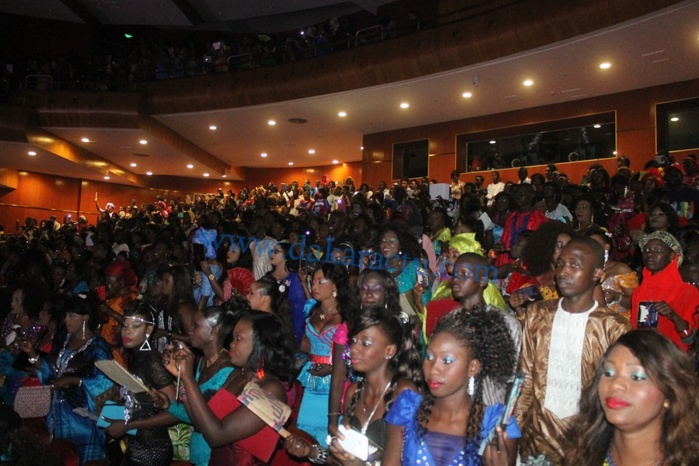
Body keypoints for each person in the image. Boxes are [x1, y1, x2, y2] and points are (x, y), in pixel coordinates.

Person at [515, 237, 631, 464]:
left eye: (575, 265)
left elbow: (617, 391)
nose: (564, 272)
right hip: (537, 437)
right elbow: (526, 377)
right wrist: (514, 428)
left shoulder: (613, 326)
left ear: (597, 274)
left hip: (586, 439)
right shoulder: (539, 314)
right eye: (560, 264)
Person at [286, 304, 423, 464]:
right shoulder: (354, 392)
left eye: (365, 343)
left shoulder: (404, 392)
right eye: (354, 341)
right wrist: (311, 451)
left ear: (389, 351)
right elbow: (340, 459)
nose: (354, 349)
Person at [383, 309, 520, 466]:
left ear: (472, 367)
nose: (433, 369)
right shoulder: (407, 409)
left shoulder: (496, 424)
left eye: (447, 361)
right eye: (429, 357)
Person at [163, 311, 295, 464]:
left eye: (239, 338)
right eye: (233, 337)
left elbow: (216, 436)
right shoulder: (240, 375)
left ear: (261, 344)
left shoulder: (271, 388)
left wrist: (188, 378)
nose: (231, 344)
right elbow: (201, 424)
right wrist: (183, 381)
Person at [565, 330, 699, 466]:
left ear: (670, 394)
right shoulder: (580, 457)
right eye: (608, 373)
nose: (615, 385)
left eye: (636, 377)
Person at [20, 294, 115, 465]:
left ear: (85, 317)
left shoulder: (98, 347)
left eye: (72, 316)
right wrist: (33, 355)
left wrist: (74, 381)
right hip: (58, 415)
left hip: (82, 420)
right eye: (65, 315)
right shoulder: (64, 339)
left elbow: (105, 384)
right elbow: (53, 372)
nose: (66, 320)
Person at [105, 302, 175, 466]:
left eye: (135, 326)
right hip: (137, 443)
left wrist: (128, 425)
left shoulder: (152, 361)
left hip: (152, 449)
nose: (127, 331)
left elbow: (175, 412)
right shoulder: (136, 356)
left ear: (148, 330)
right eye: (124, 325)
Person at [451, 252, 521, 405]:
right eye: (455, 274)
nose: (456, 279)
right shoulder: (449, 322)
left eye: (464, 274)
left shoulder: (506, 324)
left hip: (490, 413)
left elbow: (512, 380)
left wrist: (503, 419)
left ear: (482, 280)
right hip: (454, 414)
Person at [297, 264, 351, 446]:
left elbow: (353, 355)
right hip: (311, 382)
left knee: (329, 441)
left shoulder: (346, 316)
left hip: (335, 385)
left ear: (335, 285)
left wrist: (333, 368)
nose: (315, 287)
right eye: (313, 282)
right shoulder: (311, 309)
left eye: (321, 282)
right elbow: (304, 346)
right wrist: (300, 357)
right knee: (304, 434)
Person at [631, 231, 699, 351]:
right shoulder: (639, 292)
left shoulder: (688, 292)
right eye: (646, 251)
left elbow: (691, 338)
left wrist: (673, 316)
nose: (650, 254)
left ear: (672, 256)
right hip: (647, 357)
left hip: (675, 360)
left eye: (657, 250)